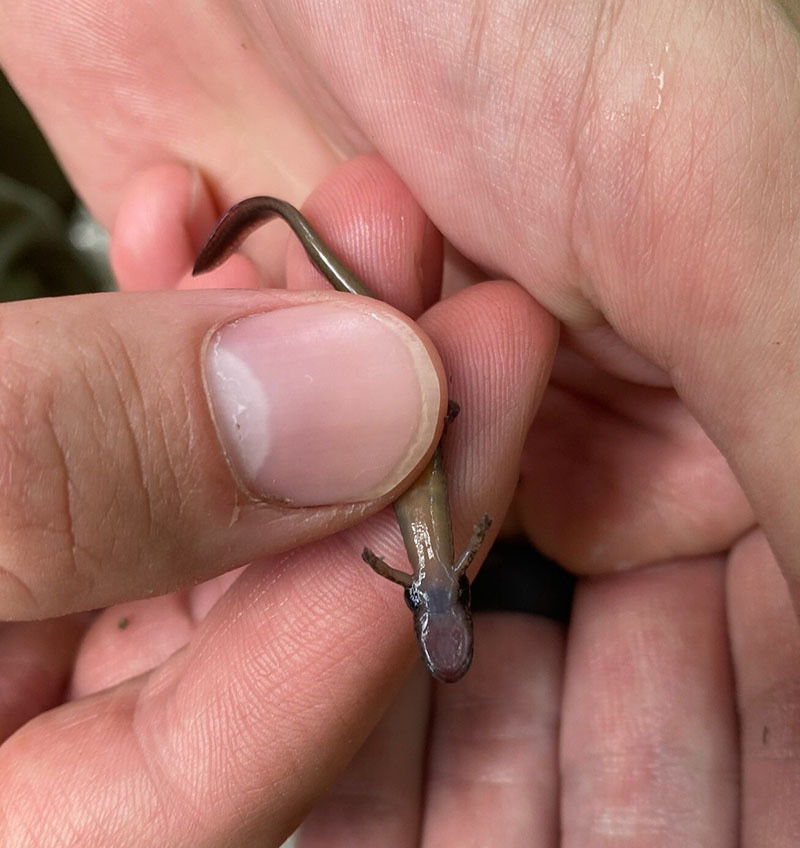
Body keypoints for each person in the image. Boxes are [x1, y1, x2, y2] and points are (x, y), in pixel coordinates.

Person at [1, 2, 798, 844]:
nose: (439, 637)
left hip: (420, 423)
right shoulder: (427, 575)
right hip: (413, 422)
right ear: (432, 607)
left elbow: (471, 524)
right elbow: (464, 526)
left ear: (431, 612)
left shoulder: (431, 573)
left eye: (437, 637)